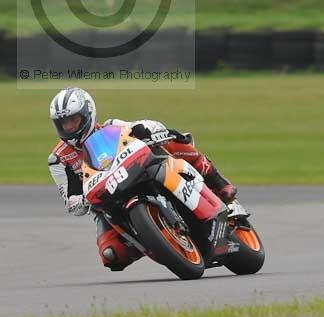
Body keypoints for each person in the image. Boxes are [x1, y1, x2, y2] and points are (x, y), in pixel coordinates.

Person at [47, 86, 238, 271]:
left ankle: (217, 181)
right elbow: (70, 200)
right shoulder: (58, 159)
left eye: (74, 120)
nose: (70, 127)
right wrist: (80, 201)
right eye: (64, 123)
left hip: (139, 174)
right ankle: (155, 239)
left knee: (170, 140)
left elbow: (145, 126)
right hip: (107, 203)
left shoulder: (111, 126)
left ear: (88, 114)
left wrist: (146, 130)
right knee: (111, 255)